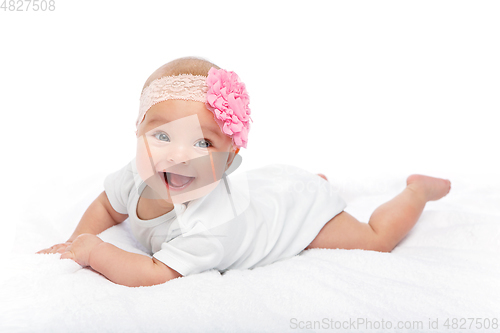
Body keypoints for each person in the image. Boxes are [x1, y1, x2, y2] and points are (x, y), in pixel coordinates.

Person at [36, 56, 451, 287]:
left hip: (294, 216)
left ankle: (414, 192)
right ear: (137, 130)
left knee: (373, 241)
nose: (179, 156)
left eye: (202, 144)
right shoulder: (133, 174)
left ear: (230, 161)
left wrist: (96, 251)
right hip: (271, 187)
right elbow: (107, 206)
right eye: (162, 136)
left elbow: (155, 272)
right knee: (277, 189)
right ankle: (307, 181)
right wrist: (75, 240)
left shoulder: (209, 225)